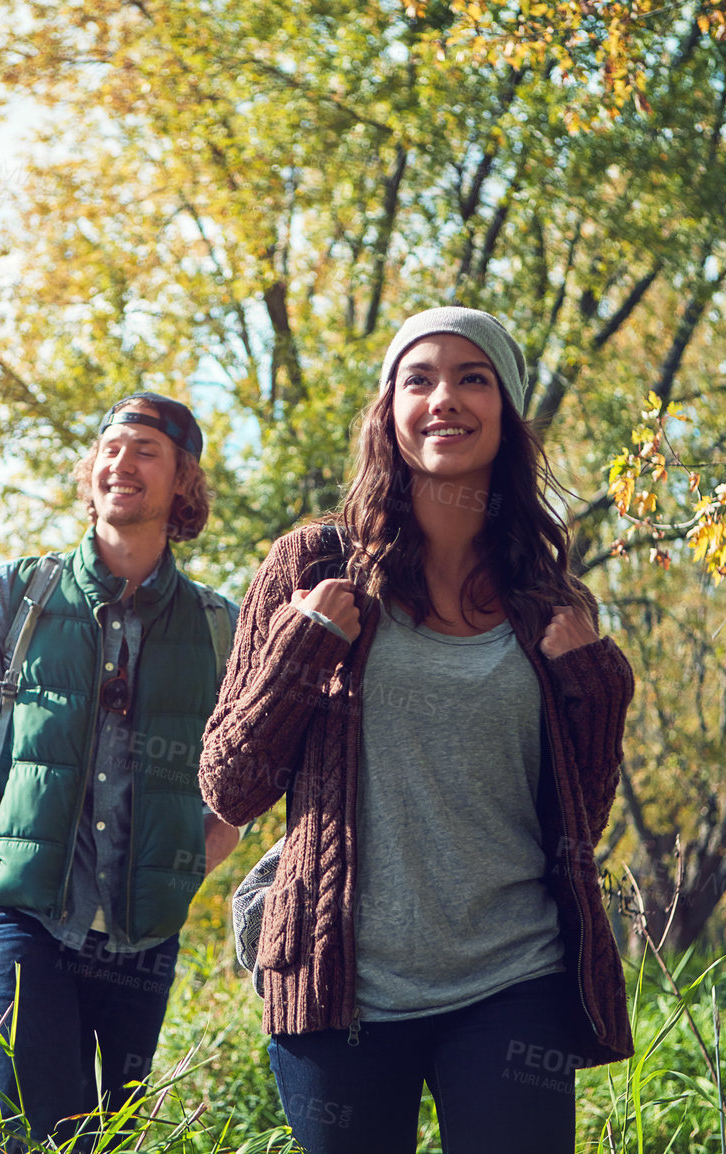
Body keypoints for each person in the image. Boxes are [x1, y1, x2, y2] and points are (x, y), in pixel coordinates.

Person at [200, 308, 636, 1153]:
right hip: (339, 988)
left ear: (506, 412)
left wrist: (598, 683)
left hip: (515, 979)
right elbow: (231, 782)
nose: (446, 398)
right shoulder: (309, 567)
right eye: (420, 378)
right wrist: (304, 644)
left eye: (473, 378)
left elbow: (585, 814)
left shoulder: (547, 601)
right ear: (388, 410)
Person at [0, 392, 242, 1147]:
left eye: (146, 452)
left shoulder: (219, 626)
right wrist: (2, 833)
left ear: (183, 484)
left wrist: (198, 854)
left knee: (113, 1139)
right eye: (111, 449)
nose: (121, 464)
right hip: (21, 914)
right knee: (38, 1136)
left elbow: (244, 771)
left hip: (145, 931)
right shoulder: (17, 594)